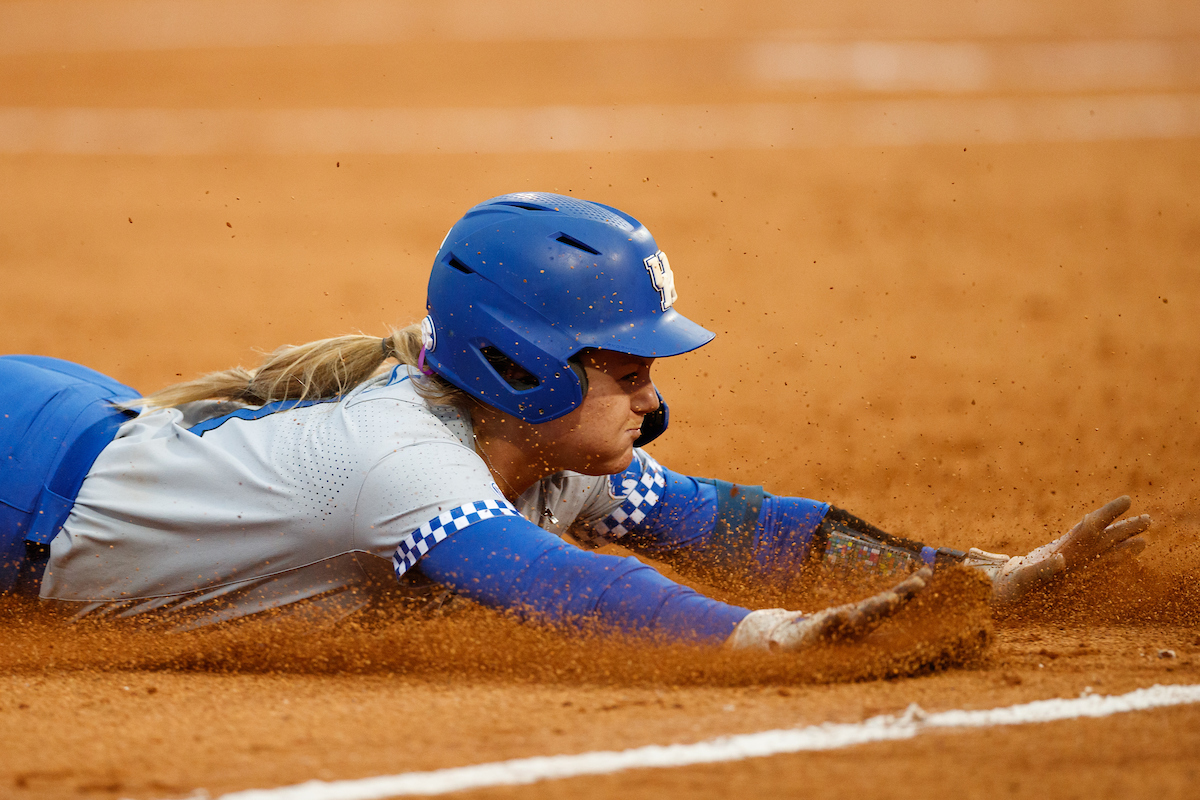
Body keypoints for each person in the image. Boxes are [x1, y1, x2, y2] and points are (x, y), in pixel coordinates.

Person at [0, 192, 1151, 651]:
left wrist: (981, 573)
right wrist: (776, 642)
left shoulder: (540, 451)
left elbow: (744, 527)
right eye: (626, 365)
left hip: (75, 434)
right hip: (22, 473)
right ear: (523, 366)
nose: (651, 396)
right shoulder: (398, 460)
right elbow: (566, 587)